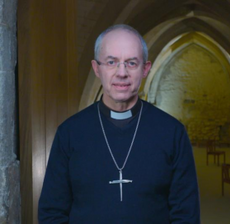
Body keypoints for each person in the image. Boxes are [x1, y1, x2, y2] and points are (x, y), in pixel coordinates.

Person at [38, 24, 200, 223]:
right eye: (111, 62)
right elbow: (51, 213)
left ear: (145, 69)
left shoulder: (172, 133)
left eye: (131, 63)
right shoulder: (69, 133)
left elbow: (186, 216)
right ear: (97, 69)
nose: (121, 73)